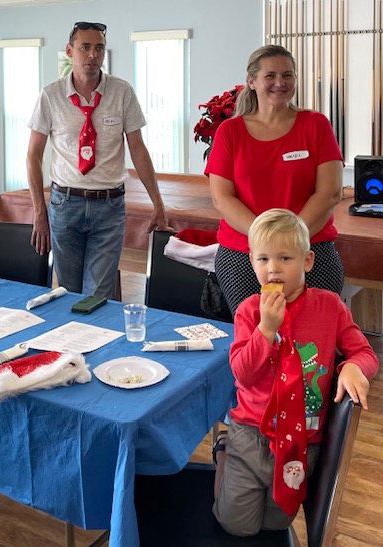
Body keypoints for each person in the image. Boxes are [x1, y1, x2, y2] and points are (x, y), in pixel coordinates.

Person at [212, 208, 378, 537]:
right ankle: (224, 454)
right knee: (238, 526)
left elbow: (364, 353)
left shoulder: (330, 307)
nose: (273, 268)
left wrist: (354, 367)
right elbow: (243, 374)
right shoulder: (249, 311)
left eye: (285, 258)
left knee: (277, 524)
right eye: (263, 259)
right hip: (251, 434)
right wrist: (265, 330)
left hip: (304, 440)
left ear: (307, 261)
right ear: (252, 262)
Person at [26, 21, 169, 298]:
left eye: (99, 48)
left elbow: (138, 149)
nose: (93, 54)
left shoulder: (122, 92)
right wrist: (39, 213)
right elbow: (33, 155)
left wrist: (158, 203)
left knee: (98, 297)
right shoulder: (50, 96)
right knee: (68, 293)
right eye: (85, 47)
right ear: (70, 51)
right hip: (65, 204)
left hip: (109, 206)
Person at [206, 44, 344, 315]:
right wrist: (267, 242)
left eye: (287, 75)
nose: (280, 83)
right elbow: (222, 198)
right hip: (244, 256)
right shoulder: (230, 132)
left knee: (315, 335)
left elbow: (329, 192)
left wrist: (291, 242)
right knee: (255, 334)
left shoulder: (316, 125)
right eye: (270, 76)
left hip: (310, 254)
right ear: (252, 81)